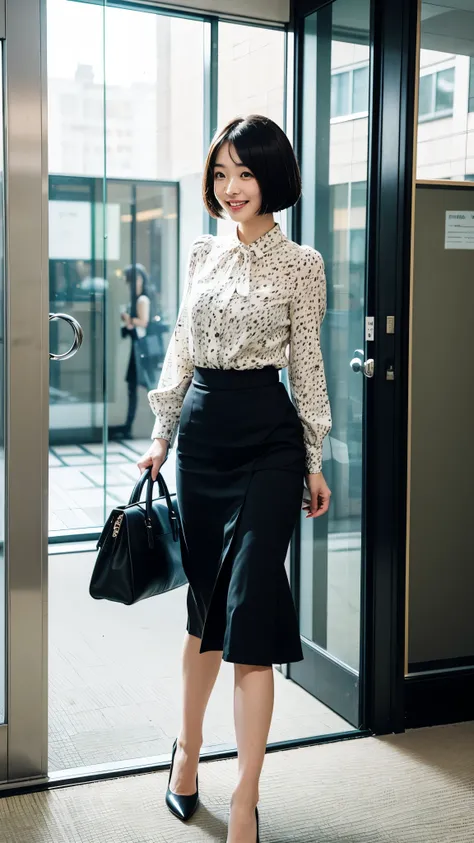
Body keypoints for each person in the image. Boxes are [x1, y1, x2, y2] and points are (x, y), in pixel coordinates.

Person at [137, 115, 332, 843]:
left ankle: (246, 794)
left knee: (251, 611)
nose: (231, 188)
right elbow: (179, 353)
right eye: (221, 174)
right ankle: (187, 755)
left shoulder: (302, 264)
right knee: (205, 611)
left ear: (271, 178)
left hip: (269, 443)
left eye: (245, 174)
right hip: (205, 440)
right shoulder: (199, 256)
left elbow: (306, 366)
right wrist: (161, 438)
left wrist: (313, 458)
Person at [119, 263, 154, 439]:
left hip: (141, 349)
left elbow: (144, 322)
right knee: (134, 387)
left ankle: (132, 427)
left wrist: (128, 318)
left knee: (140, 387)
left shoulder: (142, 300)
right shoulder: (137, 299)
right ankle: (129, 426)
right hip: (137, 348)